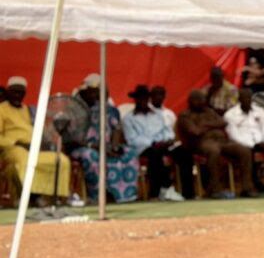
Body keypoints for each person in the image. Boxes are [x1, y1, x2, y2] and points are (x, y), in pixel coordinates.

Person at [0, 76, 72, 205]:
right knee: (27, 161)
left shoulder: (29, 110)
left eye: (20, 93)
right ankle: (29, 197)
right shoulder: (1, 109)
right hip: (13, 149)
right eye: (14, 92)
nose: (17, 96)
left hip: (34, 147)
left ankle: (55, 198)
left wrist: (41, 143)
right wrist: (16, 142)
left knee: (61, 160)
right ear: (8, 92)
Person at [67, 73, 136, 204]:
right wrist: (96, 147)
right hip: (84, 147)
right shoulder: (73, 109)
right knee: (91, 156)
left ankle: (125, 195)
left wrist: (114, 146)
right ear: (84, 92)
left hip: (106, 146)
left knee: (130, 153)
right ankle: (99, 194)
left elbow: (116, 129)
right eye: (94, 92)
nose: (97, 95)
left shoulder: (110, 110)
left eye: (100, 92)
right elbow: (71, 137)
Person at [173, 89, 256, 199]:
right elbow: (195, 131)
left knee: (244, 150)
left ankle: (247, 188)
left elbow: (223, 122)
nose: (200, 102)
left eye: (202, 99)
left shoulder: (209, 111)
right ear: (190, 101)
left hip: (222, 141)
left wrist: (205, 125)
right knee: (214, 151)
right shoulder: (185, 115)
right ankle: (214, 189)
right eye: (197, 100)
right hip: (202, 142)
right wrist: (213, 125)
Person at [122, 84, 182, 201]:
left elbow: (167, 130)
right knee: (155, 155)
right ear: (136, 100)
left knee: (184, 153)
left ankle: (188, 192)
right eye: (140, 99)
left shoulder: (158, 114)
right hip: (143, 148)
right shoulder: (129, 118)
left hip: (162, 144)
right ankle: (158, 191)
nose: (143, 101)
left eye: (145, 98)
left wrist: (167, 140)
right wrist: (153, 143)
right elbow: (132, 139)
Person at [224, 88, 264, 192]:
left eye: (249, 98)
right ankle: (252, 184)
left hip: (261, 141)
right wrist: (253, 144)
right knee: (247, 152)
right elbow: (234, 135)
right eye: (244, 98)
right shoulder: (230, 115)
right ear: (239, 99)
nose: (247, 100)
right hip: (244, 143)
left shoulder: (259, 111)